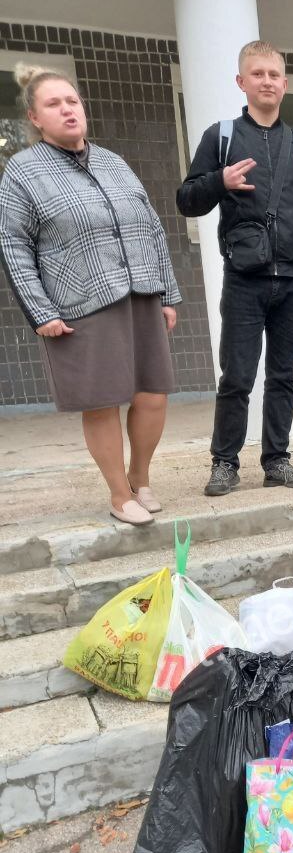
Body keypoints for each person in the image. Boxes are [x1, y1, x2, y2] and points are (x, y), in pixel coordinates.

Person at [0, 64, 180, 526]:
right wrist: (40, 311)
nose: (67, 110)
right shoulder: (23, 171)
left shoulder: (111, 161)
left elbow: (152, 226)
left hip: (140, 290)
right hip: (81, 301)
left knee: (152, 395)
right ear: (35, 118)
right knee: (102, 401)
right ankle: (119, 495)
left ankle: (140, 477)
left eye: (72, 101)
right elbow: (13, 244)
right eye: (54, 104)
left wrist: (168, 293)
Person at [177, 40, 293, 497]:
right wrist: (219, 181)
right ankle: (225, 462)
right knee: (237, 376)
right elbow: (186, 201)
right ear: (241, 82)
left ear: (285, 85)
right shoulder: (222, 136)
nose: (267, 81)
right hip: (244, 279)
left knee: (283, 375)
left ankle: (277, 459)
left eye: (274, 75)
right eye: (258, 74)